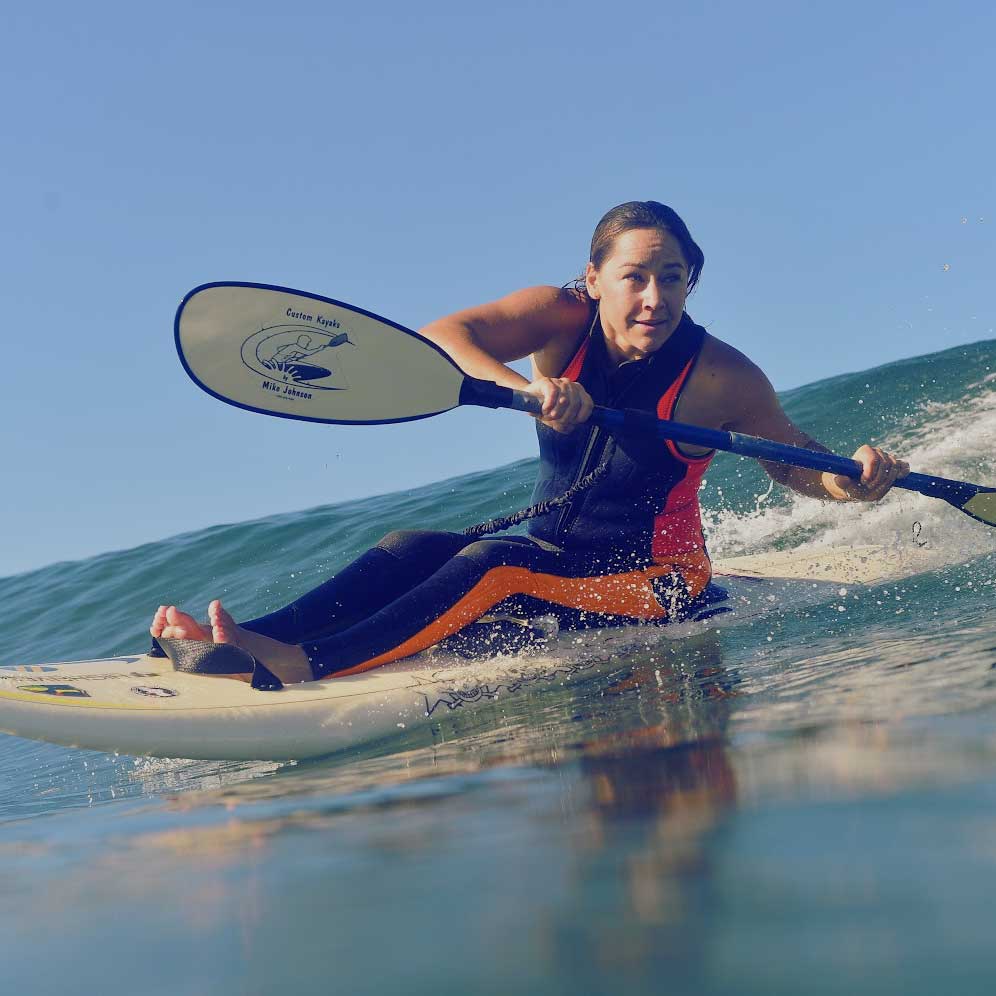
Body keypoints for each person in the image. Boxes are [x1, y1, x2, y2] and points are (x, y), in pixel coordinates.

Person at [151, 201, 909, 687]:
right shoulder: (560, 317)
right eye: (636, 277)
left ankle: (299, 665)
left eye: (673, 279)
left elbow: (790, 458)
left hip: (659, 582)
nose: (655, 297)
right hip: (564, 562)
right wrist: (527, 393)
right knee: (414, 543)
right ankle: (253, 637)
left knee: (496, 564)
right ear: (595, 279)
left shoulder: (719, 375)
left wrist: (856, 480)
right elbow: (446, 337)